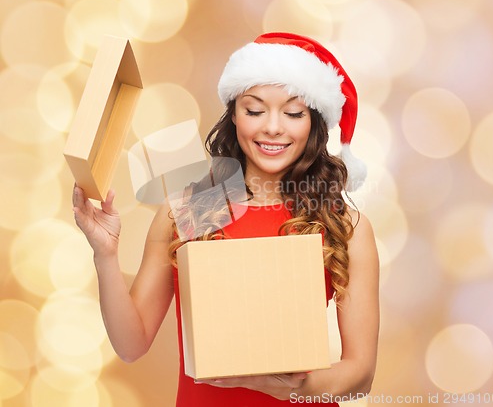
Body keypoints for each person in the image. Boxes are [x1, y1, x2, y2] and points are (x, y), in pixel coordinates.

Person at [72, 32, 380, 406]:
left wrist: (267, 383)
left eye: (294, 113)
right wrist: (105, 255)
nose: (273, 128)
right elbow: (131, 344)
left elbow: (360, 373)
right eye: (254, 110)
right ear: (233, 114)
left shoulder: (344, 226)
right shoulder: (187, 211)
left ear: (314, 122)